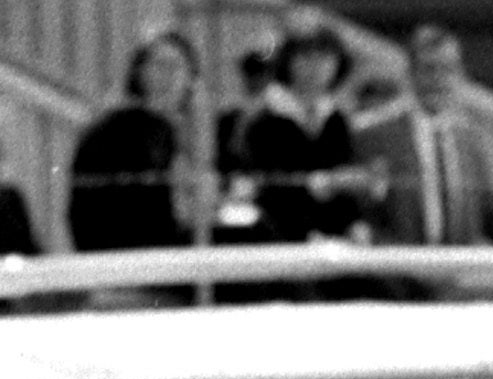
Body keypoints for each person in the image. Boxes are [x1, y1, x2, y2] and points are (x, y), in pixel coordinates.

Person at [356, 21, 493, 246]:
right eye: (429, 69)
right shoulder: (375, 136)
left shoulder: (475, 140)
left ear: (460, 74)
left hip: (459, 264)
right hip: (398, 263)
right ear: (410, 73)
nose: (438, 79)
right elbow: (364, 214)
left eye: (448, 69)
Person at [65, 31, 214, 258]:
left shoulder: (180, 129)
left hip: (166, 250)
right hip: (124, 251)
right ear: (140, 72)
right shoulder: (115, 129)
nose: (169, 77)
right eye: (161, 65)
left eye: (177, 67)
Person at [229, 16, 377, 244]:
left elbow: (345, 185)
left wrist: (354, 222)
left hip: (336, 242)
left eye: (325, 58)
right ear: (288, 60)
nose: (316, 67)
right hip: (280, 237)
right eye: (306, 56)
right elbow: (268, 189)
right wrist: (324, 184)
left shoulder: (336, 120)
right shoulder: (264, 119)